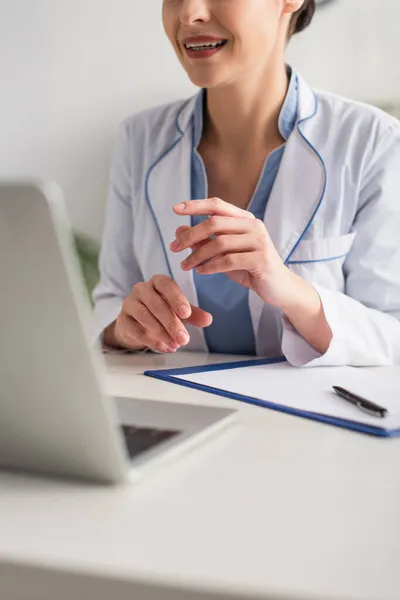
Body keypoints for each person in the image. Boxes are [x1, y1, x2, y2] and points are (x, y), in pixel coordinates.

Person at [93, 0, 400, 367]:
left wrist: (290, 290)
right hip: (183, 412)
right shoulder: (139, 139)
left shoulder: (372, 141)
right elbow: (110, 299)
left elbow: (392, 334)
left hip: (306, 421)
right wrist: (124, 329)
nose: (189, 14)